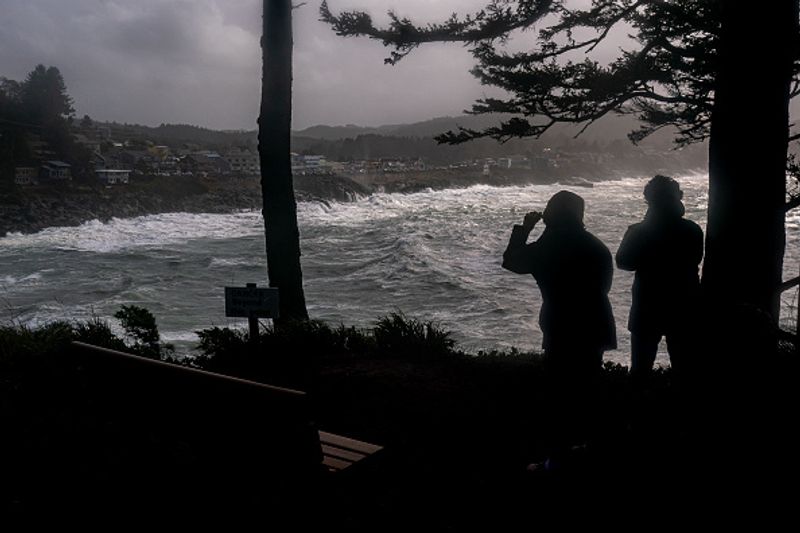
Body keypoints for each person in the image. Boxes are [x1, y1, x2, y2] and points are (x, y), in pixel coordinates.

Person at [502, 190, 616, 471]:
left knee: (559, 396)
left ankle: (557, 461)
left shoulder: (549, 244)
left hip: (563, 328)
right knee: (588, 390)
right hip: (596, 325)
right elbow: (605, 286)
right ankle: (590, 449)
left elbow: (512, 261)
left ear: (551, 215)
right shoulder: (596, 246)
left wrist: (525, 229)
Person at [616, 175, 703, 383]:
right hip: (684, 304)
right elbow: (695, 259)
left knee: (640, 370)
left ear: (648, 199)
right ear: (678, 198)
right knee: (685, 370)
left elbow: (623, 262)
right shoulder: (692, 229)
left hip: (647, 305)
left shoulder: (638, 231)